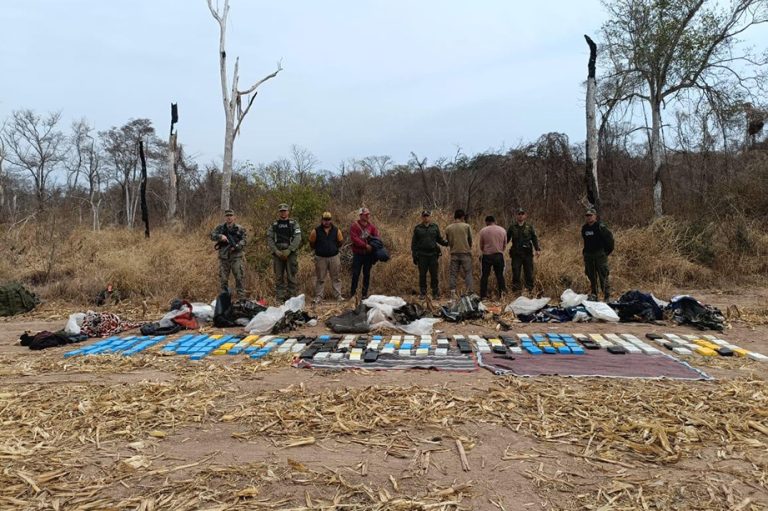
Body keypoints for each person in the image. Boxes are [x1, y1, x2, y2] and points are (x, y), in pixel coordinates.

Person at [267, 203, 302, 301]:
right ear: (279, 212)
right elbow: (269, 238)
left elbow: (298, 237)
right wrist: (276, 251)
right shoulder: (274, 224)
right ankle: (280, 298)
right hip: (278, 253)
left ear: (288, 212)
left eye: (285, 210)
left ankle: (292, 298)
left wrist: (290, 250)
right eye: (281, 211)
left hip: (290, 253)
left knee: (291, 276)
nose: (283, 212)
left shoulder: (293, 223)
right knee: (278, 277)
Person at [411, 210, 448, 299]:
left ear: (430, 217)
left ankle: (435, 293)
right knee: (422, 275)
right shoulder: (418, 228)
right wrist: (414, 255)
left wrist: (447, 242)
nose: (426, 217)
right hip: (422, 255)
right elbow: (414, 243)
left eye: (427, 216)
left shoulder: (434, 227)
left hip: (433, 254)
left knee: (434, 275)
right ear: (422, 217)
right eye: (424, 216)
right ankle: (423, 293)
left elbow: (439, 239)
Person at [308, 211, 344, 303]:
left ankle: (338, 296)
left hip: (334, 257)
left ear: (331, 220)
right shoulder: (315, 231)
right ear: (322, 220)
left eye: (328, 220)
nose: (327, 221)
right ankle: (319, 297)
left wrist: (333, 249)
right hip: (320, 258)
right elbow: (312, 243)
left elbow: (340, 242)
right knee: (320, 278)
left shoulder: (336, 230)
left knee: (336, 277)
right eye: (325, 219)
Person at [210, 209, 247, 298]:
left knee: (239, 278)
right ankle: (224, 299)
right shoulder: (220, 228)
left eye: (231, 216)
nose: (229, 217)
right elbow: (211, 235)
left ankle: (241, 299)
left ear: (234, 217)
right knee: (223, 280)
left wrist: (237, 246)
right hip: (224, 257)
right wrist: (220, 236)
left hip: (236, 257)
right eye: (227, 216)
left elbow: (245, 240)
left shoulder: (240, 228)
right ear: (225, 217)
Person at [506, 207, 541, 295]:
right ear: (516, 216)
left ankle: (529, 291)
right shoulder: (512, 227)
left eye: (522, 214)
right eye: (519, 214)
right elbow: (506, 239)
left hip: (527, 253)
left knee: (529, 272)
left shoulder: (529, 227)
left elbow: (534, 238)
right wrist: (501, 247)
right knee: (516, 272)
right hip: (516, 254)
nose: (520, 216)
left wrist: (537, 249)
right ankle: (516, 292)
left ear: (525, 215)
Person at [581, 208, 614, 301]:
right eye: (587, 216)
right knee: (591, 276)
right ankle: (594, 295)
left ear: (595, 216)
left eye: (590, 215)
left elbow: (610, 240)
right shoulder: (584, 228)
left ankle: (607, 296)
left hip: (600, 255)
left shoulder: (601, 227)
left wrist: (606, 252)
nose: (589, 218)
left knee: (603, 275)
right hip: (588, 255)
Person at [349, 207, 380, 299]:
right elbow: (354, 239)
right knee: (356, 273)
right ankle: (353, 294)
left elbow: (377, 236)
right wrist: (365, 245)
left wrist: (373, 245)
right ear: (360, 215)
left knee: (367, 274)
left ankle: (364, 294)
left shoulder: (371, 226)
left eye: (368, 214)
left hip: (368, 255)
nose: (367, 216)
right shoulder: (354, 226)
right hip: (358, 254)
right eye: (366, 215)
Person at [444, 209, 473, 298]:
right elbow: (470, 240)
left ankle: (453, 293)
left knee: (453, 274)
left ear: (455, 216)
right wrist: (468, 248)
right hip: (465, 253)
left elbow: (448, 241)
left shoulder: (448, 228)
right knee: (468, 273)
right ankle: (469, 292)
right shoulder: (466, 226)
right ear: (462, 217)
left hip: (454, 253)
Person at [478, 215, 507, 300]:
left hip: (487, 256)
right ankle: (502, 295)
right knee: (500, 276)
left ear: (487, 222)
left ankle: (483, 295)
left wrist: (485, 250)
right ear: (495, 221)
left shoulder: (483, 230)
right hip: (498, 255)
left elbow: (481, 245)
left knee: (485, 276)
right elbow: (504, 245)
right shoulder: (502, 230)